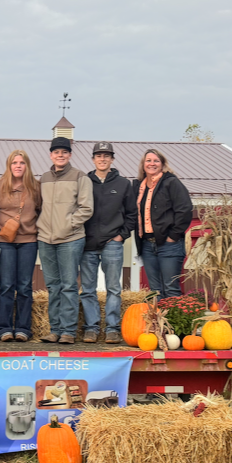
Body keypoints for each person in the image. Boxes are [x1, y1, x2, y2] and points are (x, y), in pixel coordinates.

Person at [37, 136, 93, 344]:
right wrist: (42, 226)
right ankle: (55, 330)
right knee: (53, 286)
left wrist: (68, 224)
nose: (60, 155)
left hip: (70, 238)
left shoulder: (80, 177)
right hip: (46, 239)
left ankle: (68, 331)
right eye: (56, 152)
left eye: (64, 152)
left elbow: (86, 208)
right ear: (51, 155)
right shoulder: (44, 178)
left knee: (69, 285)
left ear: (70, 154)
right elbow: (38, 206)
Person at [80, 142, 137, 344]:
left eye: (106, 155)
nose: (102, 159)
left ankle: (112, 329)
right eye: (99, 155)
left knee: (113, 288)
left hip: (112, 243)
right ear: (93, 159)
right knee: (88, 289)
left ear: (112, 159)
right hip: (87, 244)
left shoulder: (123, 184)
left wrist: (121, 236)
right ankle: (91, 328)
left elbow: (132, 214)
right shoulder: (84, 182)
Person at [0, 150, 41, 342]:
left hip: (29, 241)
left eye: (22, 163)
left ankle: (23, 328)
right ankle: (3, 328)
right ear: (8, 165)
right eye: (14, 163)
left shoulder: (36, 187)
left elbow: (41, 211)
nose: (18, 166)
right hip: (5, 242)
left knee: (25, 286)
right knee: (6, 285)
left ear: (27, 166)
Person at [133, 148, 193, 298]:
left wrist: (173, 236)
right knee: (155, 291)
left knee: (171, 289)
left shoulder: (171, 183)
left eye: (156, 161)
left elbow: (185, 209)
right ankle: (157, 315)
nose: (152, 164)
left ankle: (172, 315)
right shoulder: (138, 186)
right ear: (143, 164)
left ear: (162, 164)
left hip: (169, 244)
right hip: (147, 245)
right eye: (148, 161)